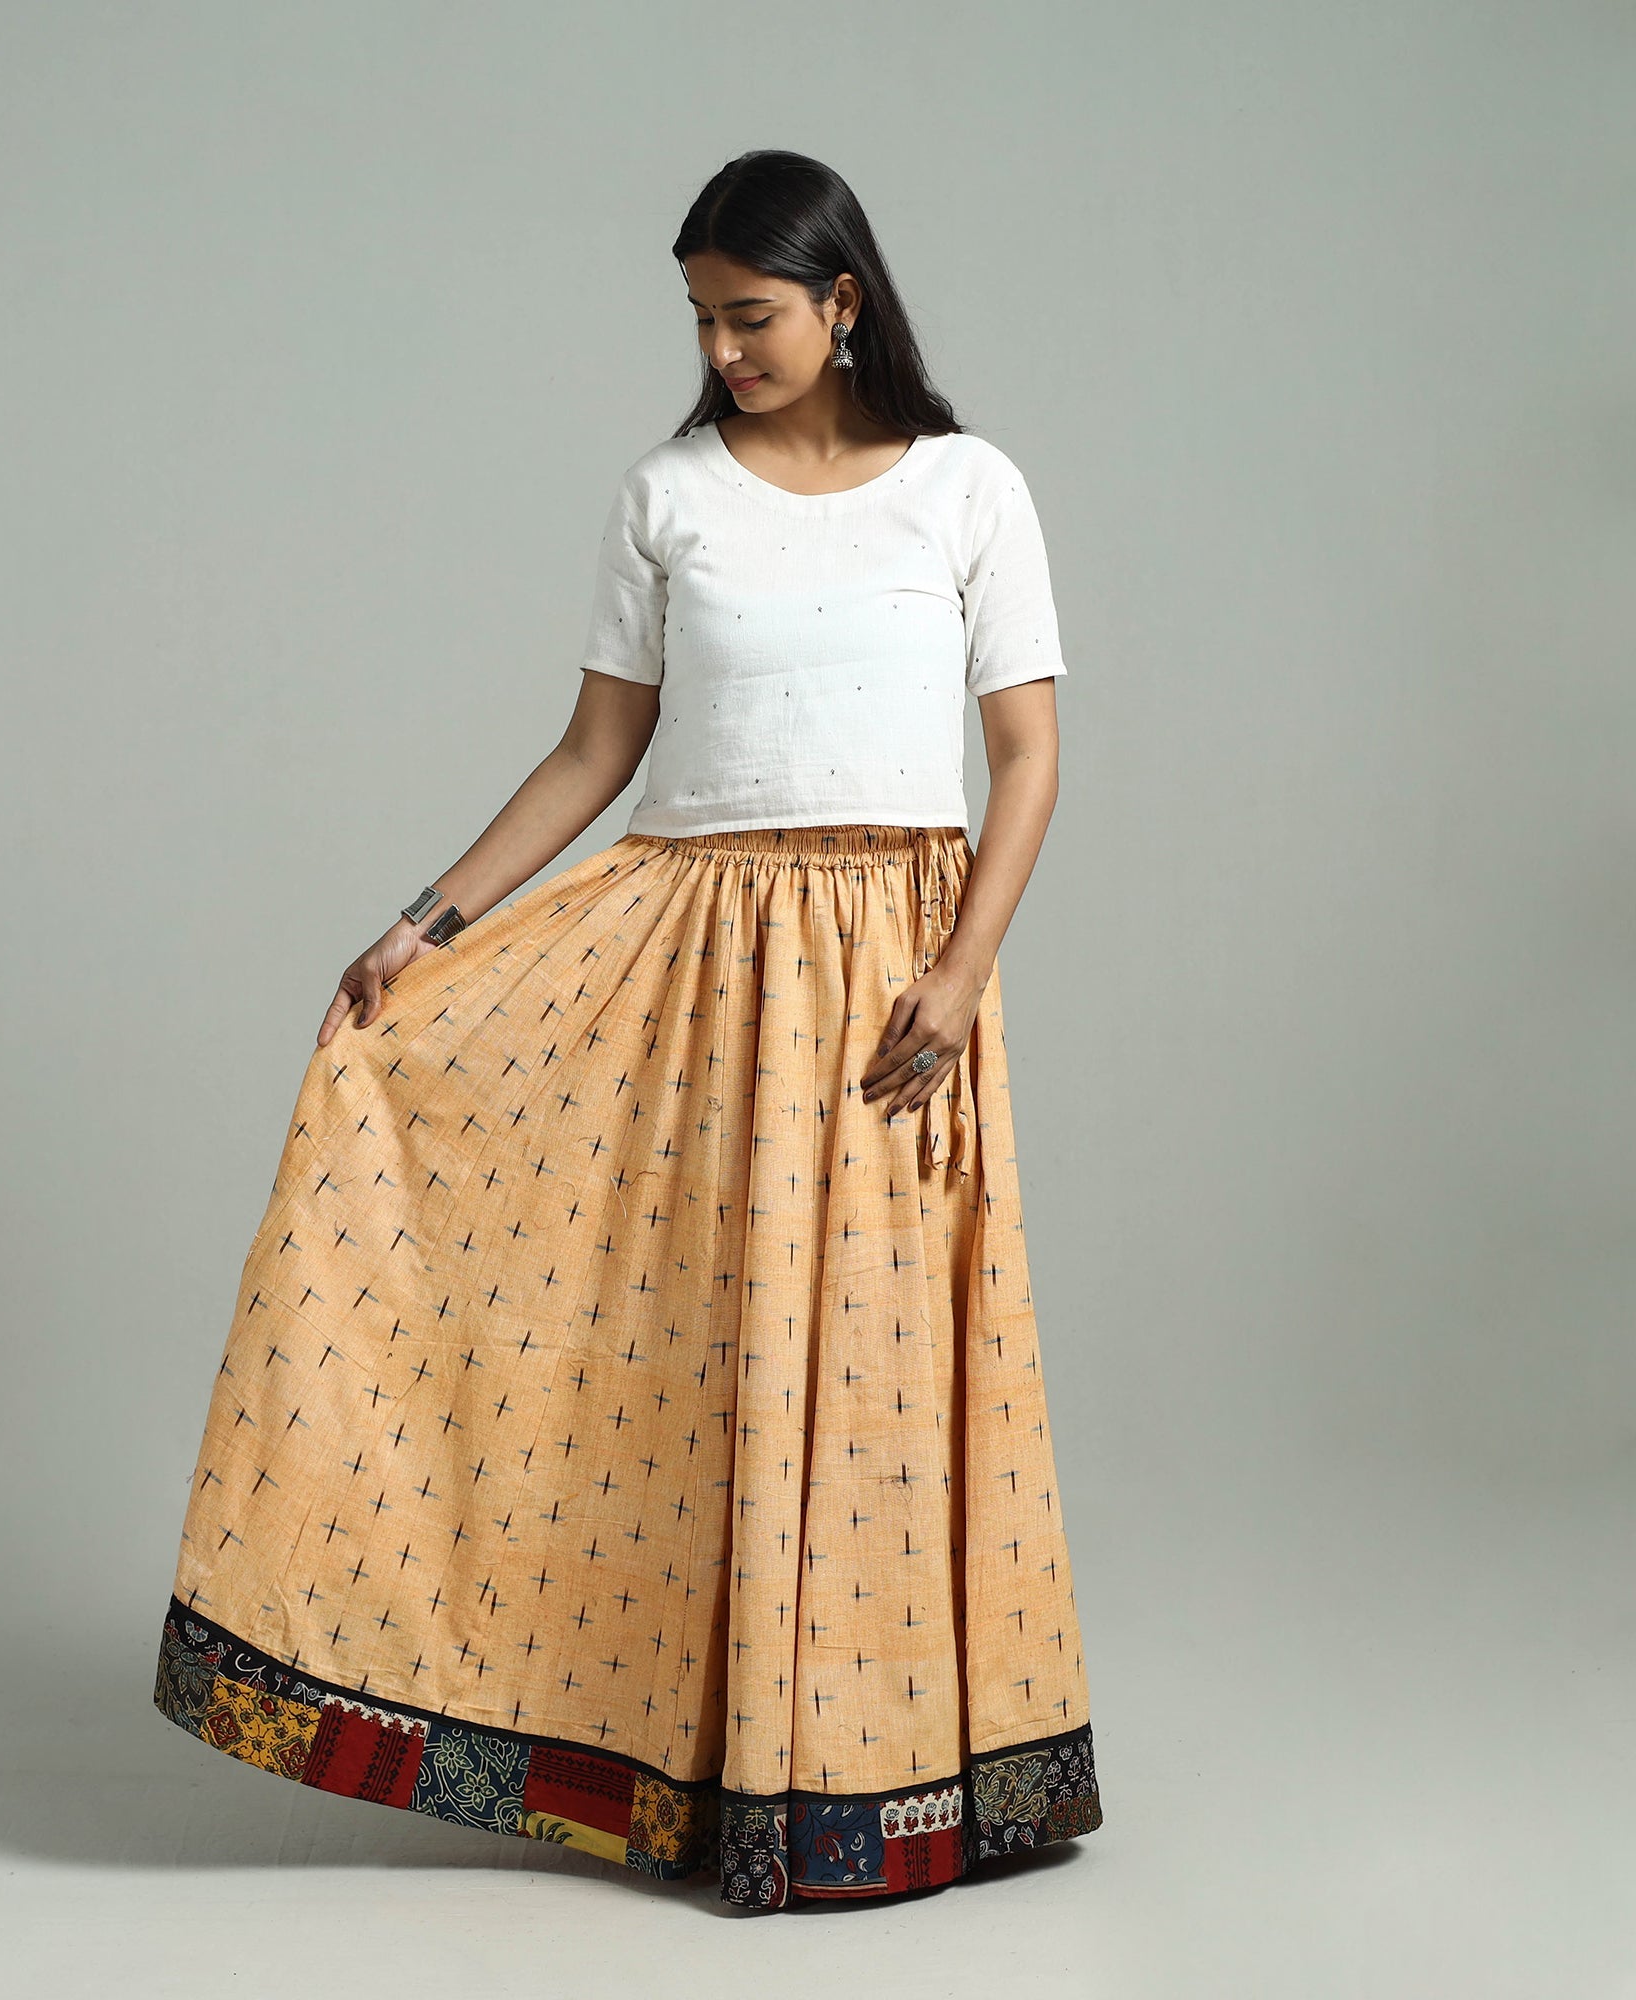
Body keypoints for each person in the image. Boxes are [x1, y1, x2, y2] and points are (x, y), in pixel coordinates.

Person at [153, 148, 1102, 1912]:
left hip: (890, 971)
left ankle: (881, 1781)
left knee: (871, 1368)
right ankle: (700, 1777)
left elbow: (1030, 756)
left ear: (843, 302)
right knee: (687, 1359)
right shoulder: (668, 495)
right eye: (701, 321)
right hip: (697, 958)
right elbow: (597, 749)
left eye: (753, 317)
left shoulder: (969, 489)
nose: (723, 351)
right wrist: (424, 924)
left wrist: (964, 970)